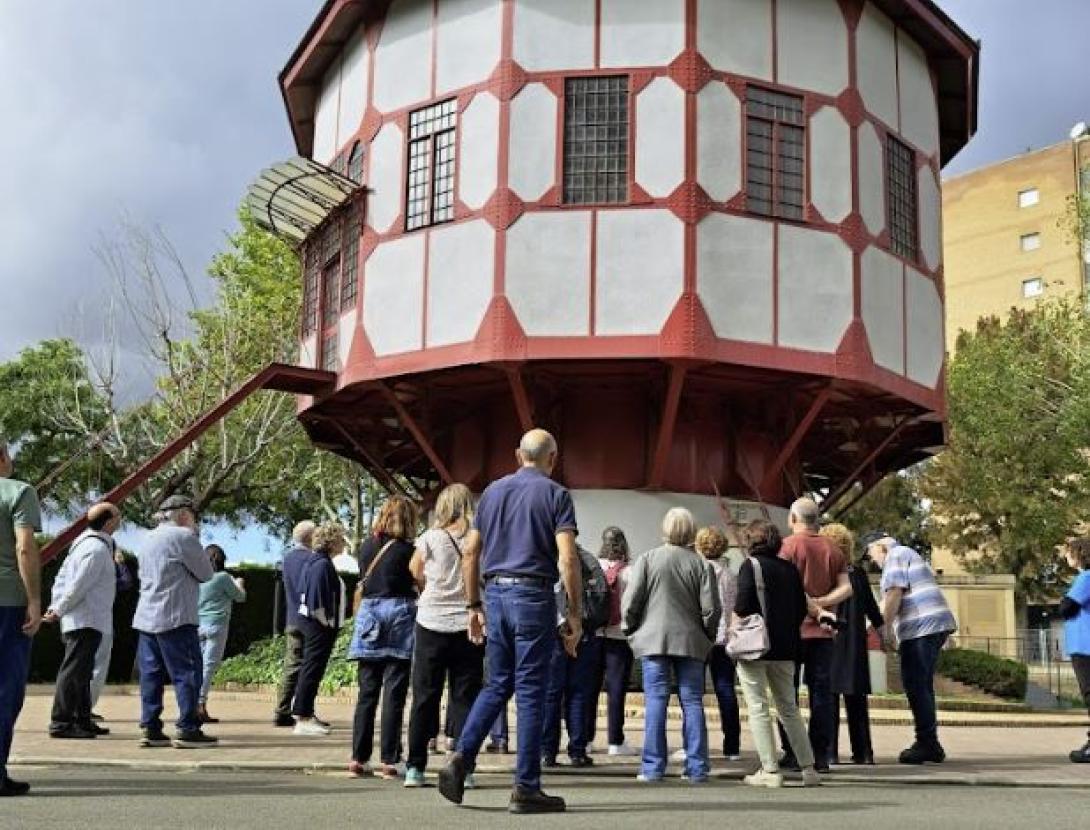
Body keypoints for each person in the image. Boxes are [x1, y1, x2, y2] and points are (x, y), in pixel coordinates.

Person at [438, 428, 582, 815]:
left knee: (497, 683)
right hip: (533, 595)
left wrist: (473, 605)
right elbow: (567, 558)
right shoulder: (556, 494)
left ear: (519, 455)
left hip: (496, 594)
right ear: (553, 458)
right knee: (532, 690)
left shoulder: (493, 493)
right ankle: (526, 787)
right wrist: (574, 613)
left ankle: (461, 758)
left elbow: (470, 552)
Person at [623, 508, 720, 784]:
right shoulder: (701, 565)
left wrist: (631, 630)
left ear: (664, 529)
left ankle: (653, 767)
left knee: (655, 701)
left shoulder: (647, 559)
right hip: (690, 640)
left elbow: (631, 603)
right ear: (692, 532)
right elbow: (711, 609)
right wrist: (708, 636)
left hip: (653, 639)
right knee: (692, 702)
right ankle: (697, 767)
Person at [404, 484, 485, 788]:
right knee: (465, 698)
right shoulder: (478, 539)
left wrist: (432, 588)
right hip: (469, 624)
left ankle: (415, 767)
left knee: (425, 696)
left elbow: (414, 571)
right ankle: (464, 766)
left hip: (431, 623)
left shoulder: (430, 538)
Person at [733, 519, 822, 788]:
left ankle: (770, 770)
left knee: (758, 707)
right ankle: (809, 768)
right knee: (789, 708)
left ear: (750, 540)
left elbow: (742, 604)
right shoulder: (790, 569)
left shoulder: (750, 566)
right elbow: (800, 609)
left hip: (756, 648)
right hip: (787, 647)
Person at [863, 531, 957, 764]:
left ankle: (927, 743)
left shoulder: (895, 556)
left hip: (921, 627)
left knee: (915, 683)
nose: (872, 560)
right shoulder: (908, 554)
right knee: (922, 685)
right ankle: (929, 741)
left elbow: (894, 594)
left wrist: (882, 629)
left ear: (879, 546)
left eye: (871, 553)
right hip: (933, 623)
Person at [132, 495, 217, 748]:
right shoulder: (183, 537)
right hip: (177, 615)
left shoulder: (146, 539)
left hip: (147, 615)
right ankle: (188, 727)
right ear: (183, 515)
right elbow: (206, 573)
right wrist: (195, 538)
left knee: (151, 675)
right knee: (188, 673)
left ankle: (150, 727)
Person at [777, 497, 852, 771]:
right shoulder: (833, 549)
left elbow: (788, 587)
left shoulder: (787, 547)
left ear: (793, 519)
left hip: (792, 631)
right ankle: (821, 754)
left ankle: (793, 752)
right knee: (821, 694)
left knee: (787, 694)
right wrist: (823, 606)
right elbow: (847, 588)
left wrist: (810, 606)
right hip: (824, 633)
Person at [348, 497, 419, 778]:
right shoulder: (409, 550)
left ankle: (358, 757)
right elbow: (416, 581)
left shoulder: (366, 547)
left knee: (367, 692)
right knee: (395, 691)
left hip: (370, 612)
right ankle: (390, 758)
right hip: (400, 610)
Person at [44, 503, 121, 739]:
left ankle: (82, 719)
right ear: (108, 522)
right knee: (74, 671)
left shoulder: (84, 546)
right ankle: (61, 722)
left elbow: (62, 578)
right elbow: (78, 585)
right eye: (118, 516)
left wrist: (56, 606)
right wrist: (58, 609)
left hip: (86, 618)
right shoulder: (95, 550)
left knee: (83, 672)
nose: (120, 520)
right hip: (85, 618)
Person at [0, 440, 43, 797]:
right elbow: (25, 546)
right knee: (5, 689)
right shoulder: (19, 492)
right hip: (6, 601)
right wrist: (34, 599)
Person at [821, 523, 883, 765]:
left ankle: (829, 751)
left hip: (831, 639)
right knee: (857, 700)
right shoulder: (857, 574)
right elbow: (871, 608)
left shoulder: (826, 573)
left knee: (829, 700)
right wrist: (882, 630)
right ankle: (864, 752)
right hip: (855, 644)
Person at [542, 544, 605, 769]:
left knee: (551, 694)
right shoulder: (588, 559)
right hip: (585, 632)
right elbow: (602, 596)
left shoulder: (546, 555)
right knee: (578, 693)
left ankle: (547, 751)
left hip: (553, 631)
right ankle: (578, 751)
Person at [292, 522, 344, 737]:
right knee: (312, 669)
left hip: (312, 623)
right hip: (317, 625)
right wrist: (327, 623)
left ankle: (306, 712)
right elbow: (317, 600)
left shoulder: (316, 561)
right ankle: (303, 716)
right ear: (331, 542)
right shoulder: (322, 564)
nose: (343, 543)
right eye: (340, 539)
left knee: (311, 668)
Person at [697, 525, 742, 761]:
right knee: (726, 690)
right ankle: (732, 745)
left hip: (701, 636)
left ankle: (695, 743)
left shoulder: (697, 571)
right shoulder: (730, 576)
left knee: (693, 692)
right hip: (724, 638)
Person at [595, 526, 637, 757]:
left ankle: (585, 739)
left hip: (594, 635)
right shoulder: (630, 571)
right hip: (619, 636)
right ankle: (615, 741)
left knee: (589, 689)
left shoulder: (595, 567)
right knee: (616, 689)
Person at [273, 520, 317, 727]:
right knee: (309, 667)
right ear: (310, 538)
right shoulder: (313, 559)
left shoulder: (287, 559)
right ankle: (304, 710)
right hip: (309, 619)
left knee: (291, 664)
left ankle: (282, 708)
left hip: (292, 617)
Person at [196, 544, 246, 724]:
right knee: (208, 667)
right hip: (217, 625)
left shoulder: (197, 577)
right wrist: (239, 584)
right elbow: (240, 597)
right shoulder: (223, 577)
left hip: (197, 624)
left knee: (199, 667)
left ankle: (195, 703)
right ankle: (199, 705)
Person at [89, 541, 136, 723]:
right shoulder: (106, 573)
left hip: (83, 621)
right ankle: (85, 708)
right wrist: (120, 563)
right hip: (100, 622)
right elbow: (125, 582)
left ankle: (80, 708)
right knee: (97, 667)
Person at [1060, 537, 1090, 763]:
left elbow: (1067, 607)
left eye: (1068, 552)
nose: (1065, 556)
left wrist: (1063, 603)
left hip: (1084, 645)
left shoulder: (1086, 577)